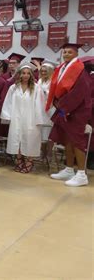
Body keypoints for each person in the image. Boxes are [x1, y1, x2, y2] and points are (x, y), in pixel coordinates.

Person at [48, 43, 92, 187]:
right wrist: (57, 103)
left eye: (69, 52)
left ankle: (81, 174)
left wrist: (64, 107)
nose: (66, 54)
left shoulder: (80, 71)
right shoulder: (63, 68)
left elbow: (79, 93)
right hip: (65, 109)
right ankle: (69, 169)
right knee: (67, 139)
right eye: (64, 52)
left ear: (76, 54)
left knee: (77, 141)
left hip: (76, 111)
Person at [0, 63, 44, 173]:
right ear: (19, 74)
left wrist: (39, 119)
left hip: (31, 119)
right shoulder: (13, 88)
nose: (25, 75)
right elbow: (8, 103)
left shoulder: (36, 88)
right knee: (17, 139)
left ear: (31, 75)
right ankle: (19, 160)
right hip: (16, 118)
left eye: (28, 73)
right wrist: (7, 116)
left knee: (30, 140)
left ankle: (29, 161)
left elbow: (39, 104)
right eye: (23, 73)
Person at [37, 60, 56, 160]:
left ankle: (49, 153)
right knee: (41, 132)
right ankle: (42, 152)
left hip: (50, 109)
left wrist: (45, 92)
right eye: (42, 71)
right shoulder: (40, 81)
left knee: (49, 132)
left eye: (45, 71)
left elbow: (54, 95)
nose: (43, 73)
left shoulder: (53, 81)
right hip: (40, 108)